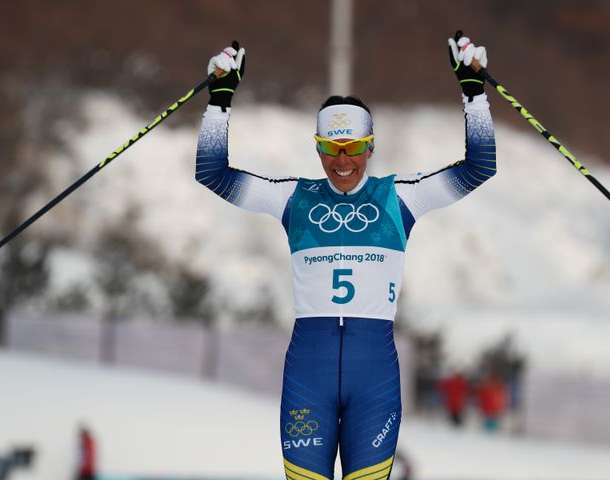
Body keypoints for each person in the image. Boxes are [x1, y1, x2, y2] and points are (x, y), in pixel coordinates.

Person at [196, 33, 495, 480]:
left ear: (370, 146)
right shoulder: (292, 198)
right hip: (307, 375)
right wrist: (220, 101)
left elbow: (479, 166)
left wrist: (474, 93)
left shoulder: (400, 198)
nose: (341, 161)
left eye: (353, 148)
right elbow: (211, 173)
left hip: (372, 376)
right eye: (329, 148)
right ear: (317, 146)